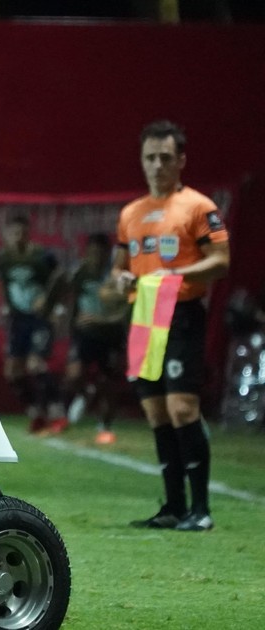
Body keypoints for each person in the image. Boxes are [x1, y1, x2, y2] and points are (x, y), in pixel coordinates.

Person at [116, 120, 229, 532]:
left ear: (181, 160)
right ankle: (173, 507)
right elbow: (118, 267)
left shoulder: (199, 207)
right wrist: (120, 278)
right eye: (150, 157)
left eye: (166, 157)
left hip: (181, 314)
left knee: (183, 407)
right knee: (156, 410)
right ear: (141, 160)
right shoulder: (130, 213)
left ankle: (201, 509)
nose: (157, 165)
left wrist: (177, 274)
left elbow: (221, 261)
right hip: (144, 315)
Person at [0, 215, 66, 435]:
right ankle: (35, 412)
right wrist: (8, 307)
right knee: (12, 372)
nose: (18, 237)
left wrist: (51, 303)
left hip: (40, 318)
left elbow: (60, 277)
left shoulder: (42, 256)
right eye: (14, 233)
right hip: (18, 319)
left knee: (36, 364)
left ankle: (56, 412)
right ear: (7, 235)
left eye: (22, 233)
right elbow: (6, 285)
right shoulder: (4, 259)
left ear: (28, 234)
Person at [62, 233, 129, 444]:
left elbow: (125, 309)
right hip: (85, 334)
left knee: (109, 383)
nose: (96, 257)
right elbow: (71, 300)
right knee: (74, 375)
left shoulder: (118, 277)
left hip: (111, 335)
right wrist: (71, 323)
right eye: (92, 253)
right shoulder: (80, 273)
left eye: (100, 253)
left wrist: (102, 320)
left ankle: (105, 426)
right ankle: (86, 393)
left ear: (108, 254)